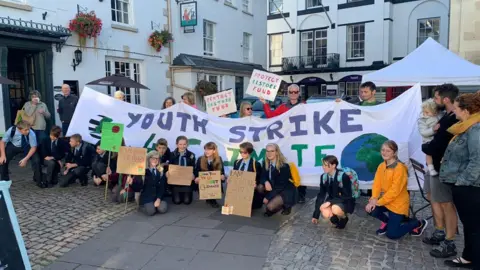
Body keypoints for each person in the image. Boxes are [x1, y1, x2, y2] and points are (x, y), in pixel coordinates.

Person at [440, 93, 480, 269]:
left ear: (466, 110)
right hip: (464, 186)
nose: (454, 113)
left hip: (469, 188)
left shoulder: (475, 129)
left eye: (456, 109)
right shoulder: (466, 127)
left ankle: (475, 260)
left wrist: (462, 182)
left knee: (474, 227)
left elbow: (477, 160)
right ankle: (468, 256)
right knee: (470, 226)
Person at [422, 84, 459, 258]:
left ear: (445, 99)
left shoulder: (455, 118)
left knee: (446, 203)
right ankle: (439, 231)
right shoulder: (446, 116)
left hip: (443, 167)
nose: (434, 102)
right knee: (433, 197)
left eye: (436, 98)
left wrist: (426, 147)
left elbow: (444, 143)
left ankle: (450, 242)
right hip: (433, 164)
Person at [365, 140, 428, 239]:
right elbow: (377, 184)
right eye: (383, 150)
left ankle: (418, 223)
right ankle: (387, 222)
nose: (384, 153)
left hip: (397, 204)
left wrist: (377, 202)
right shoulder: (382, 165)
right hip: (386, 201)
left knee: (392, 234)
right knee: (370, 209)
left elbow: (394, 191)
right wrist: (373, 199)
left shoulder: (400, 168)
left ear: (394, 153)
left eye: (388, 151)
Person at [260, 84, 307, 204]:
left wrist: (337, 103)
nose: (293, 94)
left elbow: (318, 114)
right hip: (287, 141)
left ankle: (301, 193)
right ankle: (287, 192)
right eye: (291, 92)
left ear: (298, 93)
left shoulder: (304, 106)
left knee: (301, 166)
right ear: (287, 93)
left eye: (295, 92)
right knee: (289, 165)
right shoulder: (283, 107)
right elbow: (270, 116)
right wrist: (265, 103)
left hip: (301, 139)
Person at [312, 155, 355, 229]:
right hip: (332, 199)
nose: (323, 167)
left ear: (334, 165)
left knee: (335, 208)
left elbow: (347, 195)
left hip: (345, 200)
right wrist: (315, 215)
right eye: (323, 165)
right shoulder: (323, 177)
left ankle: (344, 218)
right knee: (323, 210)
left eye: (326, 165)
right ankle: (335, 220)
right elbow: (321, 195)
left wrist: (330, 202)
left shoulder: (343, 176)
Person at [0, 120, 42, 185]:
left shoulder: (31, 133)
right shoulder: (11, 130)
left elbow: (33, 147)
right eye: (26, 130)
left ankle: (38, 180)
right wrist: (3, 155)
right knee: (3, 161)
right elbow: (2, 142)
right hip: (14, 146)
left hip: (28, 146)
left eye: (28, 129)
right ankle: (5, 181)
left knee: (36, 160)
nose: (28, 131)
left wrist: (25, 159)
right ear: (19, 129)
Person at [262, 143, 296, 217]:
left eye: (272, 151)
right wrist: (266, 181)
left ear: (277, 152)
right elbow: (263, 175)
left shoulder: (284, 166)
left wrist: (268, 197)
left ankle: (286, 205)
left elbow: (280, 186)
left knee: (270, 207)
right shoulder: (265, 163)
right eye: (267, 151)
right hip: (274, 188)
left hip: (285, 190)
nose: (269, 153)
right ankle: (275, 201)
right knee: (268, 204)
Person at [130, 150, 168, 215]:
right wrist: (131, 183)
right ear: (148, 159)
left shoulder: (160, 171)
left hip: (157, 196)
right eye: (153, 158)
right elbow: (138, 188)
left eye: (157, 158)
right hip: (146, 197)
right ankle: (142, 207)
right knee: (151, 212)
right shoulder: (142, 171)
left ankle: (155, 205)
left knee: (162, 209)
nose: (155, 160)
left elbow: (162, 187)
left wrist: (158, 199)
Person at [232, 142, 264, 209]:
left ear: (250, 152)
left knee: (249, 207)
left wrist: (256, 184)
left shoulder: (256, 164)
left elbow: (260, 178)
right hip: (237, 188)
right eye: (240, 152)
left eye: (245, 152)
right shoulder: (236, 162)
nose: (242, 154)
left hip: (249, 189)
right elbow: (234, 175)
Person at [194, 142, 225, 208]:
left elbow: (222, 171)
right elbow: (197, 170)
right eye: (205, 149)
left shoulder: (219, 159)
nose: (206, 151)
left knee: (215, 182)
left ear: (214, 151)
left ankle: (212, 199)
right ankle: (208, 197)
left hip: (213, 182)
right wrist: (196, 177)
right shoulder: (200, 159)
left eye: (209, 149)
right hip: (204, 182)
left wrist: (222, 176)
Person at [167, 136, 196, 205]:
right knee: (177, 201)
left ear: (187, 144)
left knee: (187, 201)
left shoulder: (191, 155)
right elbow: (170, 166)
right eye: (180, 144)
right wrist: (168, 172)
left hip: (187, 181)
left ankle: (186, 193)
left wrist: (193, 174)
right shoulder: (172, 154)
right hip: (176, 182)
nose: (182, 146)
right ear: (177, 144)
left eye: (184, 144)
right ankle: (177, 193)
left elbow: (193, 167)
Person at [418, 98, 442, 176]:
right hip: (428, 141)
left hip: (437, 141)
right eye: (424, 111)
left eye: (427, 112)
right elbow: (423, 132)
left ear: (435, 112)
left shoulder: (440, 116)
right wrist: (432, 130)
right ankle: (430, 168)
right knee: (429, 154)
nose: (425, 114)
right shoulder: (422, 120)